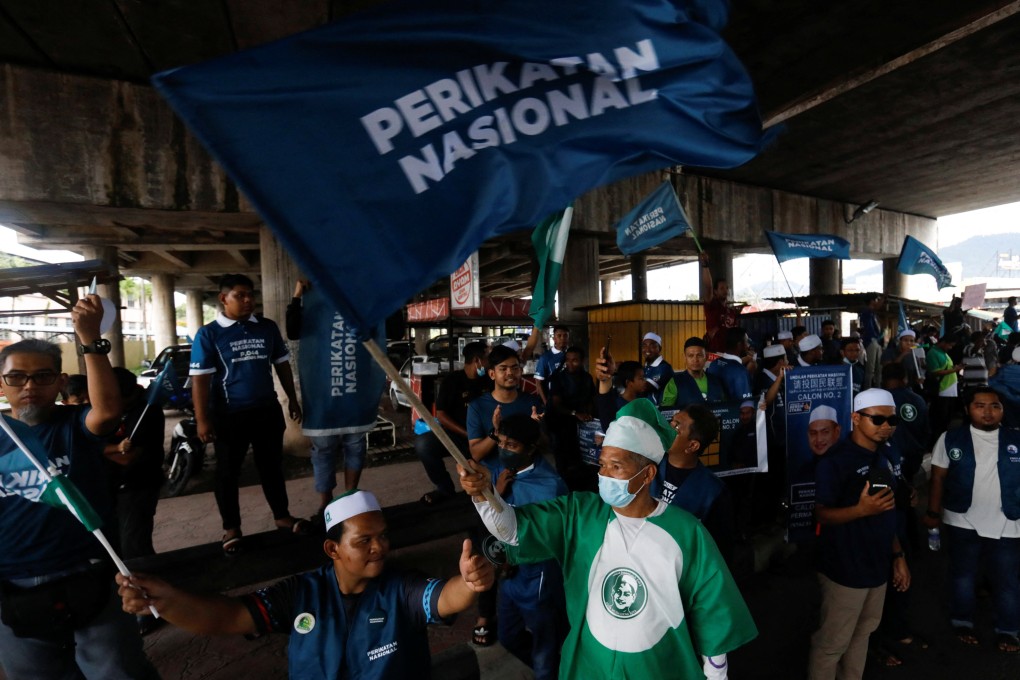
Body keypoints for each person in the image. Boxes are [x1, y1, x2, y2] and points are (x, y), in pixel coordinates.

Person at [459, 398, 757, 679]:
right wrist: (484, 493)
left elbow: (713, 614)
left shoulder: (687, 531)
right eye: (602, 465)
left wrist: (716, 673)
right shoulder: (580, 514)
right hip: (591, 665)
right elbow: (512, 529)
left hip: (658, 668)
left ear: (647, 474)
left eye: (617, 466)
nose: (604, 475)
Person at [118, 490, 495, 679]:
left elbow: (442, 598)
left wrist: (468, 583)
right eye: (364, 540)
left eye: (382, 535)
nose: (379, 546)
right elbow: (230, 617)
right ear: (333, 549)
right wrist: (167, 602)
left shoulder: (400, 586)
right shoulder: (301, 593)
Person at [0, 308, 157, 677]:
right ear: (2, 384)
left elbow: (108, 411)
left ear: (60, 382)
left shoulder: (73, 425)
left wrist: (89, 338)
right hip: (12, 583)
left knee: (118, 671)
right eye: (17, 377)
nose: (29, 386)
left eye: (42, 377)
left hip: (91, 574)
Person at [189, 273, 308, 555]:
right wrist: (203, 419)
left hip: (266, 410)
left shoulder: (266, 327)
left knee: (272, 467)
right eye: (239, 295)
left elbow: (282, 365)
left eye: (250, 294)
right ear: (223, 298)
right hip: (229, 415)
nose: (247, 300)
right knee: (227, 473)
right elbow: (200, 380)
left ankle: (282, 516)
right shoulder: (209, 334)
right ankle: (231, 528)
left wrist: (292, 399)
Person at [808, 388, 910, 680]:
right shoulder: (835, 461)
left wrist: (898, 555)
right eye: (877, 419)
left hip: (877, 567)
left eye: (892, 420)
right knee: (832, 644)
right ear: (855, 418)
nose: (886, 426)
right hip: (845, 569)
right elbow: (821, 514)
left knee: (863, 633)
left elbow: (885, 510)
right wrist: (860, 510)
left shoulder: (884, 454)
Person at [923, 387, 1020, 653]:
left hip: (1009, 521)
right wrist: (932, 513)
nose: (988, 412)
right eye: (980, 406)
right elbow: (938, 478)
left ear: (1003, 409)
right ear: (967, 410)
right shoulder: (951, 439)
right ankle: (962, 621)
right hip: (962, 519)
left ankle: (1008, 630)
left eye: (995, 406)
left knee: (1007, 579)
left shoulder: (1015, 439)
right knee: (963, 575)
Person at [286, 279, 385, 516]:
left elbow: (389, 329)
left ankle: (350, 498)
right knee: (324, 450)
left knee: (355, 446)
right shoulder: (317, 299)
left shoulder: (363, 300)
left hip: (354, 390)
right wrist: (297, 296)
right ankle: (326, 503)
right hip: (323, 393)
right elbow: (292, 331)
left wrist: (385, 294)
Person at [488, 415, 568, 680]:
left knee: (544, 653)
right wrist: (496, 494)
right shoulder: (502, 473)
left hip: (538, 581)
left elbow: (553, 540)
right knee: (508, 636)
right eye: (501, 442)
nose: (503, 449)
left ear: (531, 448)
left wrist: (513, 557)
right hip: (509, 575)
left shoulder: (549, 487)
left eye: (512, 445)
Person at [654, 404, 734, 563]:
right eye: (671, 422)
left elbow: (719, 550)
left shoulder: (713, 492)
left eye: (676, 427)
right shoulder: (649, 466)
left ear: (692, 446)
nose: (667, 428)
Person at [415, 341, 491, 505]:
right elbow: (441, 416)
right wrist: (468, 434)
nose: (489, 362)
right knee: (424, 444)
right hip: (458, 435)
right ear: (477, 360)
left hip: (485, 437)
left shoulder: (489, 380)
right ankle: (444, 488)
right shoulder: (452, 381)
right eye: (487, 358)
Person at [103, 367, 165, 562]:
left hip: (137, 486)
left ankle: (148, 579)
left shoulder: (147, 411)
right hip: (111, 486)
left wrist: (96, 450)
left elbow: (127, 457)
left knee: (133, 547)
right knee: (114, 545)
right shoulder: (108, 410)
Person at [466, 345, 543, 466]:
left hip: (528, 470)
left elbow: (546, 447)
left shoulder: (532, 403)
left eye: (515, 368)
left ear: (521, 371)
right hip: (493, 473)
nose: (510, 373)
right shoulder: (477, 407)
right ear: (492, 374)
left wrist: (536, 427)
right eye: (503, 369)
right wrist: (496, 431)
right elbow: (476, 454)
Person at [547, 345, 597, 486]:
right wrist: (575, 413)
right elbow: (556, 404)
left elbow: (591, 398)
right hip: (560, 423)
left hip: (580, 425)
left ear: (582, 361)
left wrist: (589, 413)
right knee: (563, 459)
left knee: (581, 458)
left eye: (574, 360)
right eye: (568, 360)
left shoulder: (587, 378)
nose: (570, 363)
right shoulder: (558, 378)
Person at [660, 337, 727, 408]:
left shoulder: (716, 381)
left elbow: (725, 408)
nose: (695, 360)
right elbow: (666, 411)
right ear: (685, 357)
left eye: (699, 355)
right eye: (690, 356)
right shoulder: (675, 382)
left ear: (706, 357)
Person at [926, 333, 964, 448]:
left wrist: (955, 368)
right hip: (942, 390)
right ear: (943, 342)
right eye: (950, 345)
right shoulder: (933, 353)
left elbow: (945, 368)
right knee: (940, 420)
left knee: (947, 419)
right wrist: (955, 370)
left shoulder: (943, 353)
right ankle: (936, 444)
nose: (950, 348)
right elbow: (935, 372)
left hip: (949, 390)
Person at [701, 251, 741, 354]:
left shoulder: (731, 311)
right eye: (722, 288)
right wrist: (705, 266)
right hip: (714, 353)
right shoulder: (712, 305)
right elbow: (708, 287)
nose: (725, 291)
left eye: (727, 288)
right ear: (715, 291)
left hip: (729, 353)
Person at [595, 358, 647, 432]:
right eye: (641, 378)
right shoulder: (618, 406)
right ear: (628, 383)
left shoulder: (643, 402)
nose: (645, 381)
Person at [706, 327, 752, 402]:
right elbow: (746, 404)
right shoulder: (740, 371)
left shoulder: (713, 364)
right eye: (746, 342)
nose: (748, 346)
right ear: (739, 345)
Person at [533, 325, 570, 404]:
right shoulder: (546, 357)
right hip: (553, 399)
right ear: (554, 338)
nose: (562, 338)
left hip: (571, 399)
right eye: (559, 336)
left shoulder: (572, 355)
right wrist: (546, 402)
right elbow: (538, 382)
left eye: (565, 335)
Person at [859, 294, 885, 390]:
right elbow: (877, 307)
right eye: (876, 300)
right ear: (871, 301)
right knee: (870, 369)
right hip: (871, 341)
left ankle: (878, 388)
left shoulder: (873, 314)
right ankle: (867, 389)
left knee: (879, 368)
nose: (878, 302)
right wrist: (884, 297)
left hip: (876, 341)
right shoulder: (866, 312)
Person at [640, 332, 673, 405]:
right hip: (647, 408)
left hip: (660, 409)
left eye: (652, 346)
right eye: (644, 346)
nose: (647, 349)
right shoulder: (644, 367)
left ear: (659, 348)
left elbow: (644, 388)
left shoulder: (664, 367)